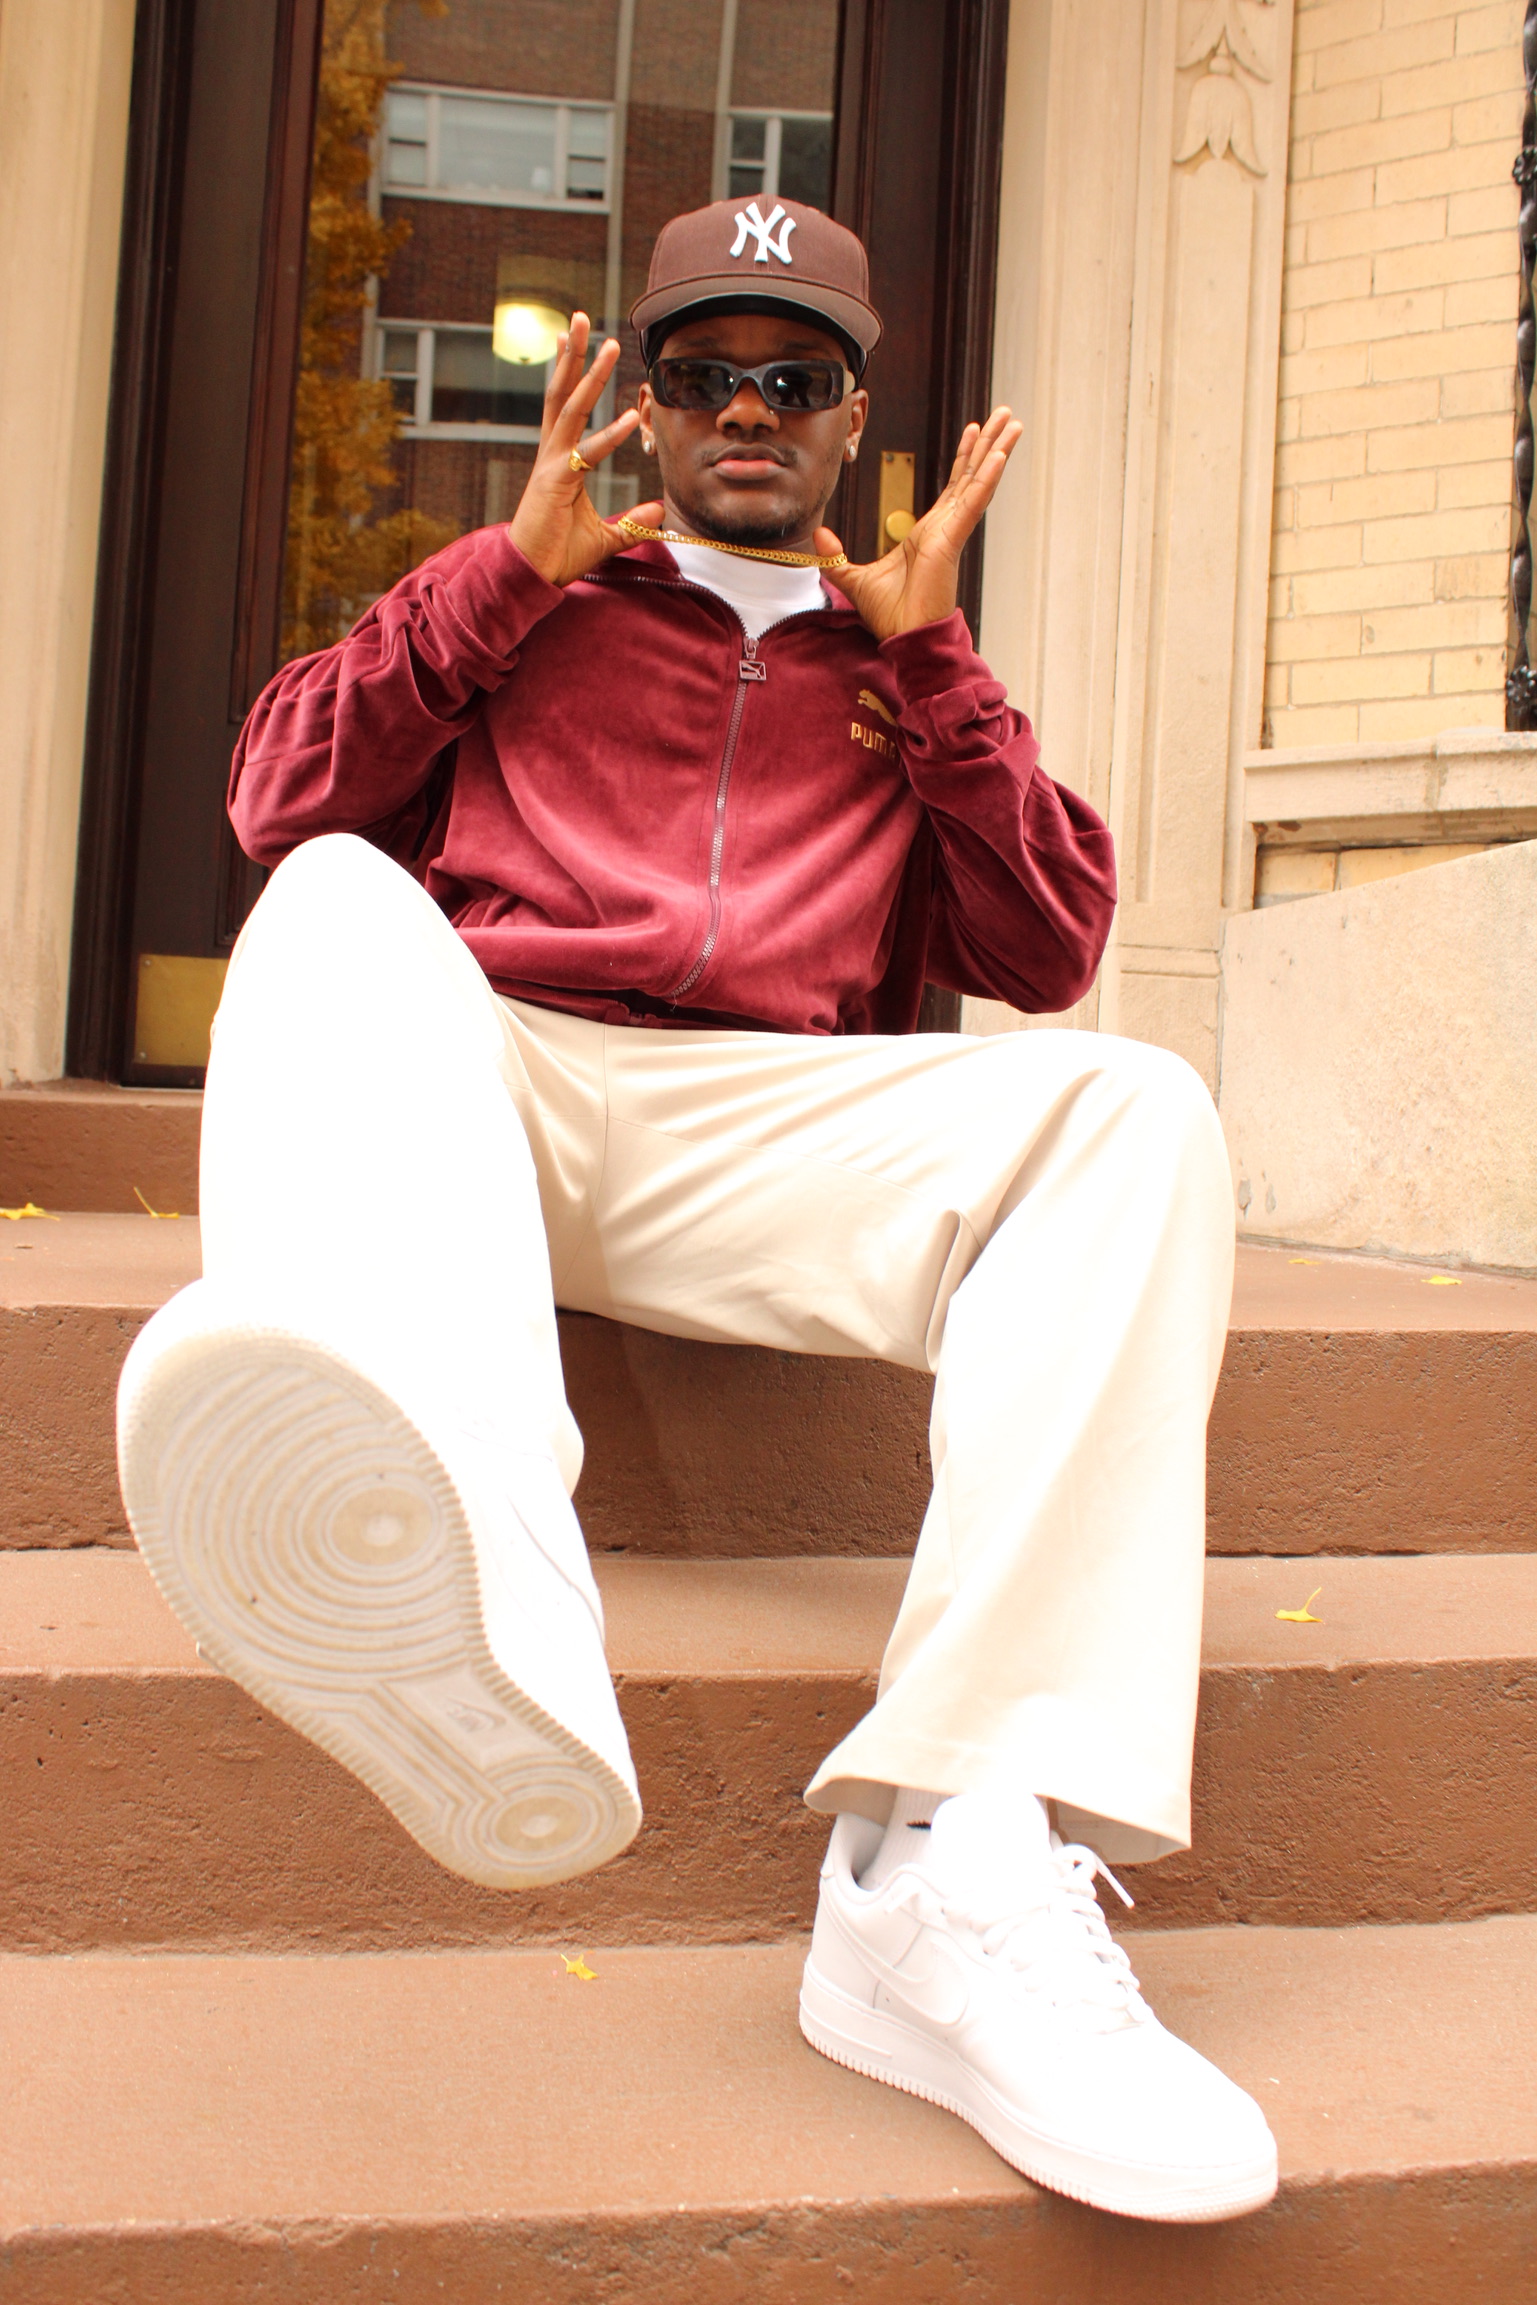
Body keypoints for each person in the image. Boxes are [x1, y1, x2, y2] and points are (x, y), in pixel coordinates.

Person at [117, 199, 1277, 2224]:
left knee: (1133, 1109)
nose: (748, 408)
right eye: (703, 372)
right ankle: (488, 1563)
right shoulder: (531, 595)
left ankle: (953, 1856)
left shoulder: (901, 657)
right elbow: (273, 798)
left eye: (793, 375)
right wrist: (499, 579)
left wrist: (932, 666)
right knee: (330, 901)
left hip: (767, 1133)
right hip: (493, 1089)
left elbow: (1049, 944)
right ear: (642, 401)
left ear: (849, 418)